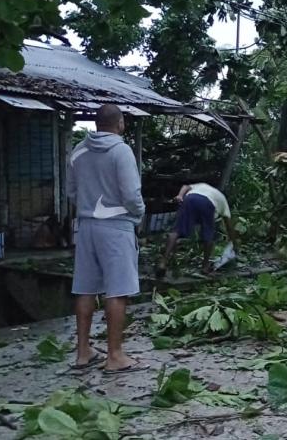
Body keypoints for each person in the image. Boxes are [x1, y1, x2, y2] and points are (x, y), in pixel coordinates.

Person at [66, 104, 148, 374]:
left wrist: (88, 207)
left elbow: (71, 192)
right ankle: (115, 355)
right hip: (116, 227)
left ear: (96, 124)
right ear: (120, 123)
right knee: (117, 289)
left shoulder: (79, 150)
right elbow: (131, 195)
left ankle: (82, 352)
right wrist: (138, 214)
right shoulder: (121, 151)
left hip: (86, 226)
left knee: (85, 288)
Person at [157, 182, 238, 279]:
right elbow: (229, 226)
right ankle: (205, 267)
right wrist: (234, 244)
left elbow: (185, 186)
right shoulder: (223, 201)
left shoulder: (202, 185)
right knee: (208, 236)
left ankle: (163, 262)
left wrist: (180, 195)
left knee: (176, 231)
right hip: (207, 203)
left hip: (189, 198)